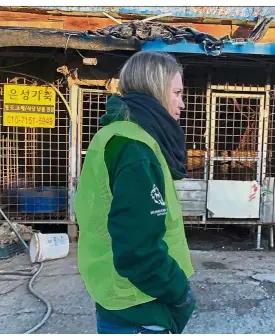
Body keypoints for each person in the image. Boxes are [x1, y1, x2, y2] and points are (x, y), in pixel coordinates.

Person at [74, 51, 195, 334]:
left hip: (116, 294)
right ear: (155, 89)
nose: (183, 104)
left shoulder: (114, 135)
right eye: (176, 93)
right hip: (141, 302)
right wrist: (179, 292)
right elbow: (139, 251)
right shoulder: (136, 149)